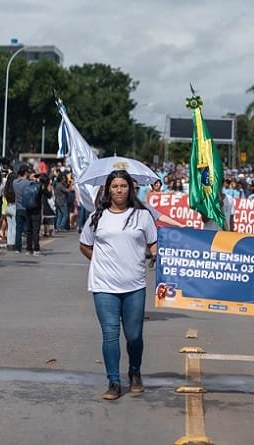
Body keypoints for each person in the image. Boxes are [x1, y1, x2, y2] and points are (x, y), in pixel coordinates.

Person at [79, 170, 158, 400]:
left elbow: (153, 244)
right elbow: (85, 244)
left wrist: (160, 256)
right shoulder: (96, 217)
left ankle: (135, 372)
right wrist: (100, 261)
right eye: (115, 186)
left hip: (134, 284)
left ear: (130, 189)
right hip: (104, 285)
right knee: (110, 334)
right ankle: (113, 381)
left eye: (123, 186)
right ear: (108, 190)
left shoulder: (142, 216)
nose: (119, 190)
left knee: (134, 336)